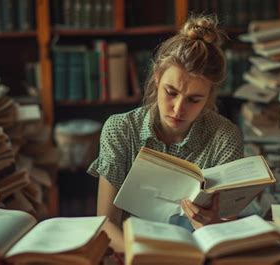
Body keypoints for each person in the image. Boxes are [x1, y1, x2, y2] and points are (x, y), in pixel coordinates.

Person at [87, 14, 243, 252]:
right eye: (171, 92)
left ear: (209, 97)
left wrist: (211, 225)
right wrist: (145, 256)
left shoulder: (225, 138)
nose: (178, 109)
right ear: (157, 78)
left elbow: (227, 233)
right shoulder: (120, 130)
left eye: (194, 99)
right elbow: (106, 224)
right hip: (133, 254)